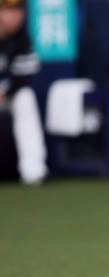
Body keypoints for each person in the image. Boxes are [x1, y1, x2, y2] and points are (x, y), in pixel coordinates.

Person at [0, 0, 47, 185]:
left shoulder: (22, 39)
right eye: (8, 11)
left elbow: (24, 76)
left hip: (6, 95)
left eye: (18, 11)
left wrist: (5, 91)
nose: (15, 16)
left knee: (25, 98)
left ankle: (34, 171)